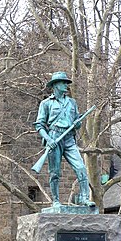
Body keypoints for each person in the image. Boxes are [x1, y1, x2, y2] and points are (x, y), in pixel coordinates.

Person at [33, 71, 95, 207]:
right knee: (54, 173)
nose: (66, 85)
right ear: (55, 85)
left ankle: (85, 198)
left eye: (67, 82)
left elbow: (76, 122)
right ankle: (55, 201)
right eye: (63, 82)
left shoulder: (72, 103)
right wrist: (48, 139)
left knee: (81, 168)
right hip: (54, 138)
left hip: (69, 139)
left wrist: (77, 124)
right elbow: (39, 125)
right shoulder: (46, 104)